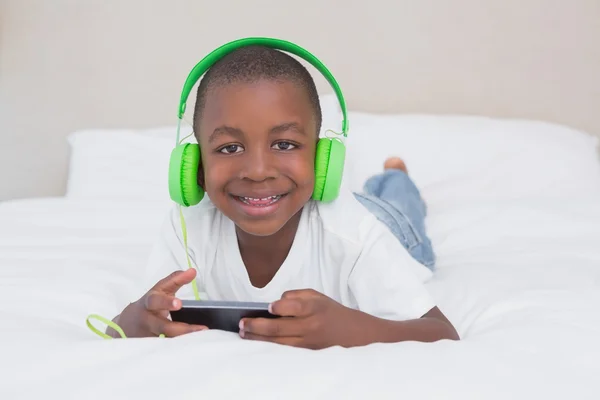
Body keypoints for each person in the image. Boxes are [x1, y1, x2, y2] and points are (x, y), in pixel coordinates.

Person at [107, 46, 459, 348]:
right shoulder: (186, 226)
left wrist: (350, 329)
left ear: (323, 160)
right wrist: (134, 321)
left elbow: (441, 332)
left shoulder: (356, 234)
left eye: (285, 144)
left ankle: (396, 176)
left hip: (386, 222)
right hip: (299, 201)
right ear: (195, 168)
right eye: (230, 147)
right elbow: (124, 324)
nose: (257, 171)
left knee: (401, 210)